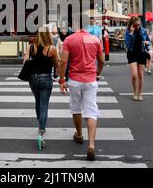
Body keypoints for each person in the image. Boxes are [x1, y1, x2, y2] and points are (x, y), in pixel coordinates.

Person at [59, 15, 105, 161]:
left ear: (75, 24)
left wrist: (61, 80)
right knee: (91, 110)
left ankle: (79, 135)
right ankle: (91, 145)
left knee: (76, 108)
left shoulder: (69, 39)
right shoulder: (95, 39)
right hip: (91, 79)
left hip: (74, 79)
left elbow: (64, 61)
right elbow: (102, 60)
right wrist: (98, 72)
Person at [23, 27, 60, 151]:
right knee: (44, 105)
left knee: (37, 102)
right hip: (45, 79)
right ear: (48, 35)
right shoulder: (52, 48)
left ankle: (41, 123)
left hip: (33, 79)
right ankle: (41, 132)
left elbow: (25, 62)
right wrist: (57, 76)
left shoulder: (31, 47)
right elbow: (57, 65)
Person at [125, 17, 150, 102]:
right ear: (132, 25)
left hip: (141, 53)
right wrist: (131, 33)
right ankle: (135, 92)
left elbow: (148, 41)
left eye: (139, 24)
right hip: (132, 53)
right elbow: (127, 44)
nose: (138, 26)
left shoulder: (143, 30)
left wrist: (147, 43)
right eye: (136, 25)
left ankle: (140, 93)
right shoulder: (128, 32)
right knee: (134, 75)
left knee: (140, 75)